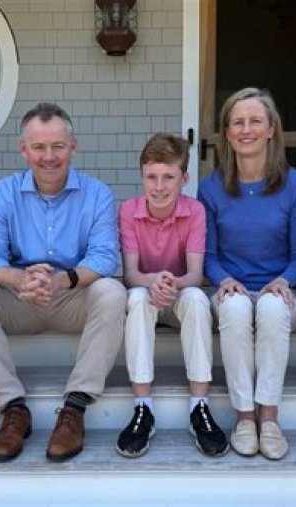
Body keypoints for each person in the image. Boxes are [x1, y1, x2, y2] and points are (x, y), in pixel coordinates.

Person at [0, 102, 126, 463]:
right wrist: (19, 278)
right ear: (24, 149)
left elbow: (105, 257)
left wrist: (62, 280)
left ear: (73, 146)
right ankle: (12, 409)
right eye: (39, 147)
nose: (49, 157)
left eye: (58, 146)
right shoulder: (2, 193)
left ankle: (74, 408)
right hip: (20, 298)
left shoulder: (97, 194)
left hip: (71, 296)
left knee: (111, 292)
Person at [198, 88, 296, 459]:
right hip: (231, 289)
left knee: (272, 309)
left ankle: (270, 417)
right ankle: (245, 417)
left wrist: (283, 280)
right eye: (238, 123)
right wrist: (224, 280)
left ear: (271, 129)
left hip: (281, 291)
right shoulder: (211, 188)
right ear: (228, 133)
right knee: (234, 309)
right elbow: (209, 256)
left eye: (255, 121)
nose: (246, 130)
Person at [116, 133, 228, 458]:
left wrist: (171, 284)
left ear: (184, 178)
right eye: (151, 177)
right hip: (146, 290)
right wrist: (152, 280)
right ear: (142, 177)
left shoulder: (195, 211)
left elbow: (195, 274)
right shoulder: (129, 211)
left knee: (196, 298)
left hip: (179, 291)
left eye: (168, 177)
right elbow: (130, 274)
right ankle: (142, 406)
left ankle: (199, 405)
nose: (159, 186)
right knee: (136, 299)